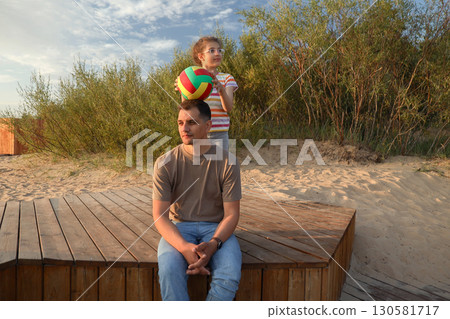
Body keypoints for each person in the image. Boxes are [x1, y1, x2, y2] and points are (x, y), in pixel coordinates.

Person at [152, 99, 242, 301]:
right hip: (179, 226)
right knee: (168, 271)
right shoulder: (165, 163)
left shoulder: (228, 162)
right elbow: (159, 215)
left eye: (191, 122)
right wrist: (184, 247)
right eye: (180, 123)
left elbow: (231, 215)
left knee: (229, 274)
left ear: (208, 126)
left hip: (215, 227)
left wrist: (213, 244)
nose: (184, 129)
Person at [175, 36, 238, 151]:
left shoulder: (227, 78)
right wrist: (183, 88)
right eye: (212, 50)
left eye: (219, 50)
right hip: (197, 132)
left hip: (220, 133)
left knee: (219, 166)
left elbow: (228, 108)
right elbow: (186, 109)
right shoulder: (192, 78)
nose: (217, 53)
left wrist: (221, 90)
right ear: (201, 56)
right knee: (199, 166)